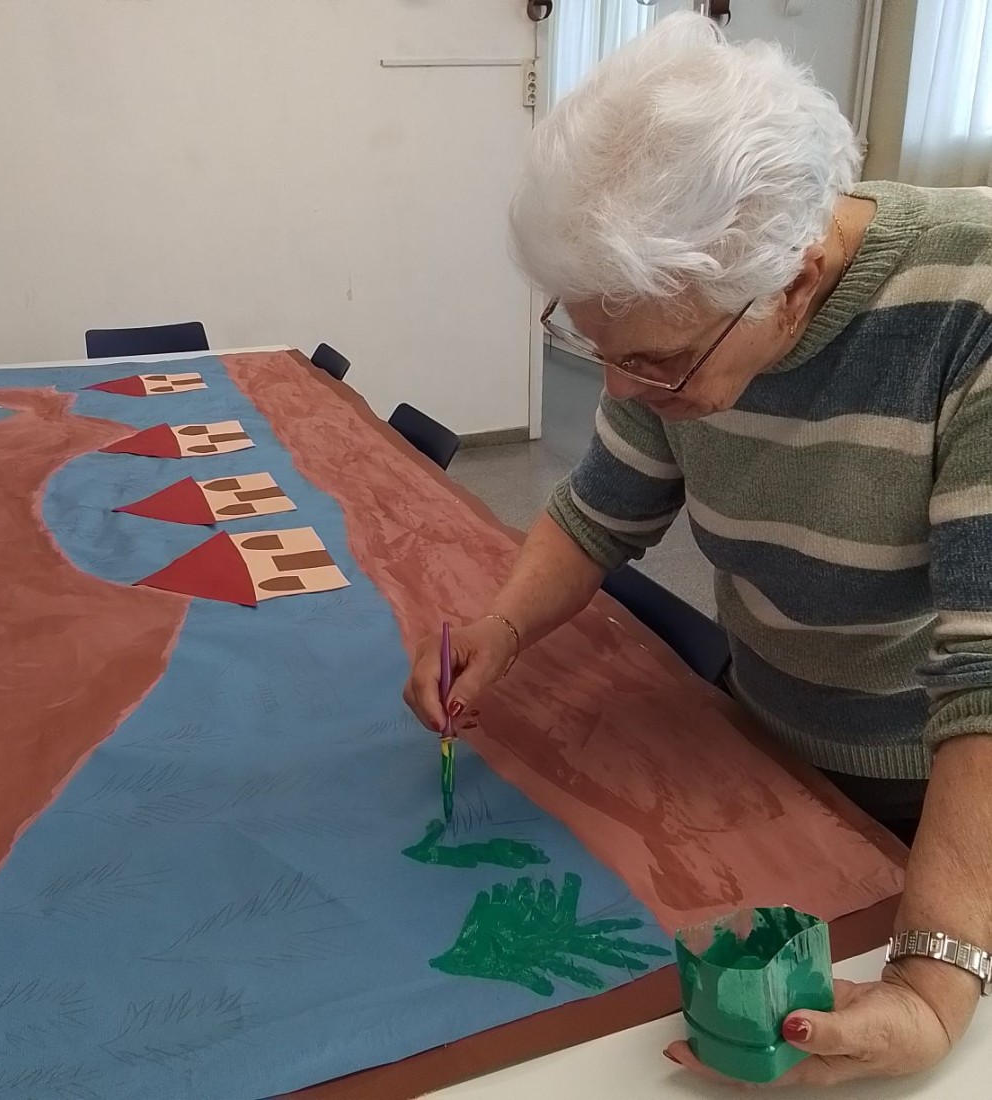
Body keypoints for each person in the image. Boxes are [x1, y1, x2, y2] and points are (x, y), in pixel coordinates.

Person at [403, 12, 990, 1088]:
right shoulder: (682, 325)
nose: (619, 387)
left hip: (940, 807)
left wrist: (932, 979)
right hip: (765, 744)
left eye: (656, 361)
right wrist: (503, 626)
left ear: (795, 284)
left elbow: (985, 678)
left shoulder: (971, 306)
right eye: (595, 344)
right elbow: (601, 508)